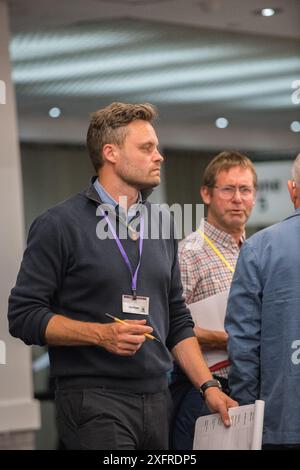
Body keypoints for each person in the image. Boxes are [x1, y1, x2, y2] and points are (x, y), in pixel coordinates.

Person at [8, 102, 237, 450]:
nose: (158, 156)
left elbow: (177, 317)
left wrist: (209, 387)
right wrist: (100, 335)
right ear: (110, 153)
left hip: (158, 397)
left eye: (156, 147)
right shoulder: (59, 225)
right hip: (94, 400)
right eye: (146, 148)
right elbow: (23, 316)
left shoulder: (161, 224)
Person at [170, 151, 257, 449]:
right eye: (228, 189)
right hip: (203, 390)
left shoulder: (255, 252)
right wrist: (226, 339)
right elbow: (168, 326)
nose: (237, 199)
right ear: (206, 194)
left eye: (245, 190)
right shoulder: (189, 252)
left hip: (248, 387)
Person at [225, 154, 300, 449]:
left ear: (292, 189)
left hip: (281, 422)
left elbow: (243, 343)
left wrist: (247, 413)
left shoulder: (259, 248)